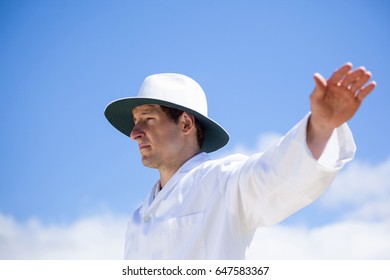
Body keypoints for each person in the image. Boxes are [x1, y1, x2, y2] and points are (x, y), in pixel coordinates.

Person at [104, 62, 375, 259]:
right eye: (136, 121)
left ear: (186, 123)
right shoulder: (138, 218)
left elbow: (274, 177)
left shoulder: (221, 181)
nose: (134, 133)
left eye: (148, 119)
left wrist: (320, 126)